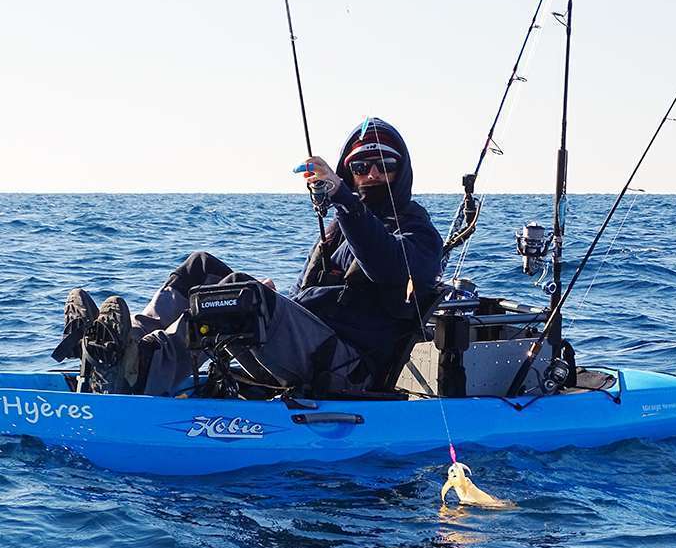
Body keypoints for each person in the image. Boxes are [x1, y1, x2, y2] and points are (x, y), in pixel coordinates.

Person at [52, 119, 443, 396]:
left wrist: (342, 199)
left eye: (384, 166)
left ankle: (141, 371)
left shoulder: (417, 232)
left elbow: (388, 264)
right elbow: (312, 297)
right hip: (308, 347)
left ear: (401, 171)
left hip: (346, 369)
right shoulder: (340, 229)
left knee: (240, 299)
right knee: (202, 268)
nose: (371, 174)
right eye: (360, 167)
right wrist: (279, 303)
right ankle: (124, 345)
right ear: (349, 171)